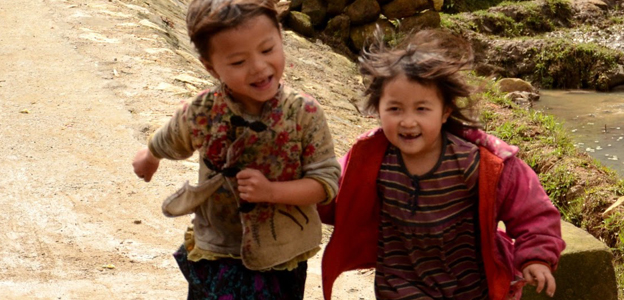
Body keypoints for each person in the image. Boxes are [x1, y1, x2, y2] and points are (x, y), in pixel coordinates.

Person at [318, 29, 565, 300]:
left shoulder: (474, 162)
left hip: (470, 286)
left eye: (422, 109)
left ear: (445, 111)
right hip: (401, 284)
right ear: (378, 109)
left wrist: (536, 257)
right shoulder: (371, 160)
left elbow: (531, 207)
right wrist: (299, 186)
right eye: (395, 109)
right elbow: (330, 191)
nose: (408, 121)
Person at [131, 0, 340, 298]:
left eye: (267, 50)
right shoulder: (205, 109)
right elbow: (174, 134)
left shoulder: (304, 114)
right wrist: (150, 156)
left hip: (281, 255)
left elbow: (325, 182)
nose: (258, 67)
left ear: (280, 37)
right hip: (217, 249)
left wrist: (272, 192)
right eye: (238, 62)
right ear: (210, 66)